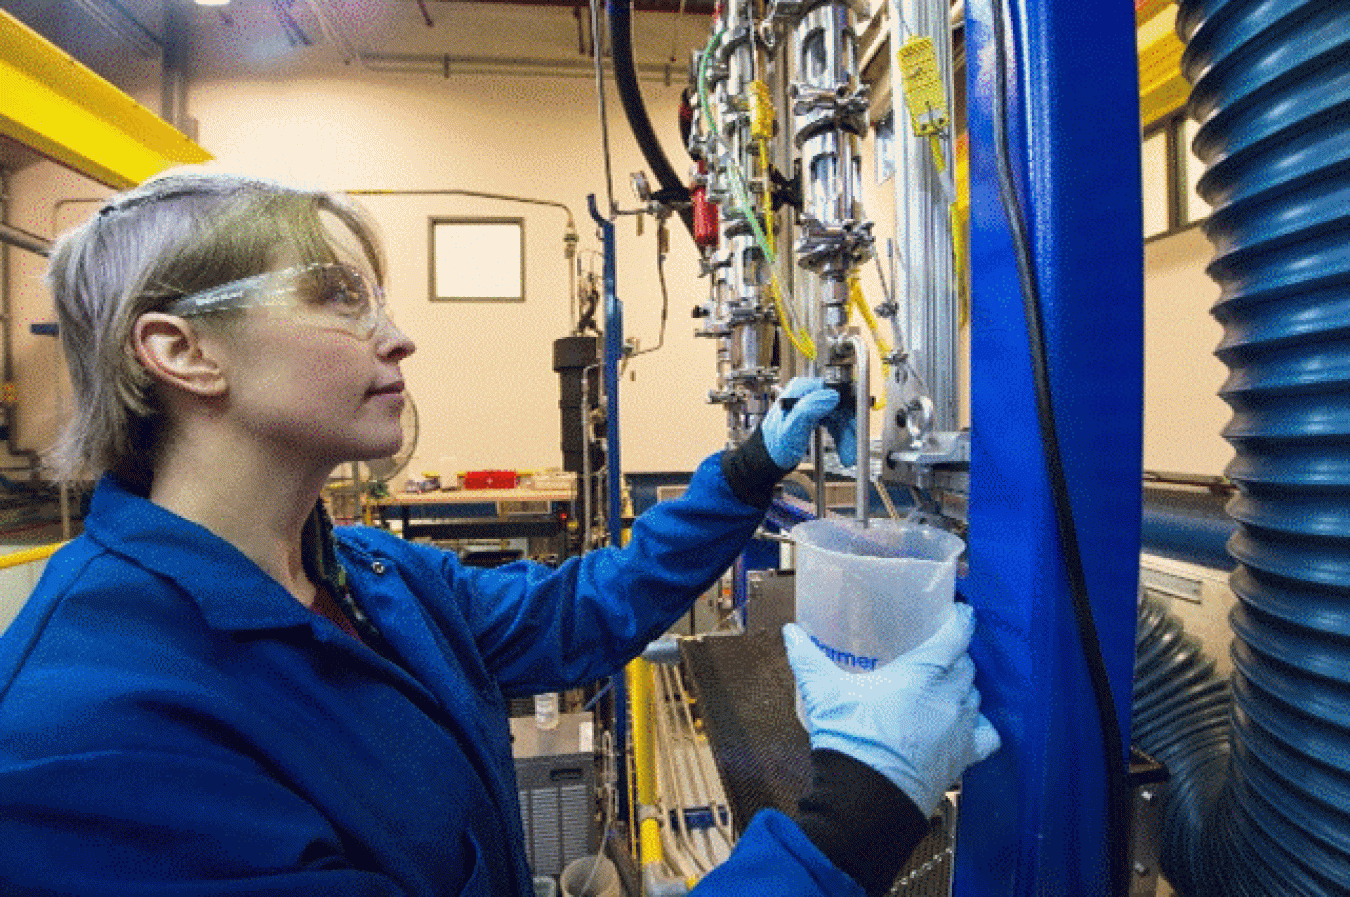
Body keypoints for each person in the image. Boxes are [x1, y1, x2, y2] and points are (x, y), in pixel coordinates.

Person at [0, 167, 998, 897]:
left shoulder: (366, 577)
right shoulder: (90, 732)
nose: (397, 336)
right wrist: (857, 810)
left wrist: (747, 472)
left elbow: (583, 607)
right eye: (339, 300)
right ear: (181, 350)